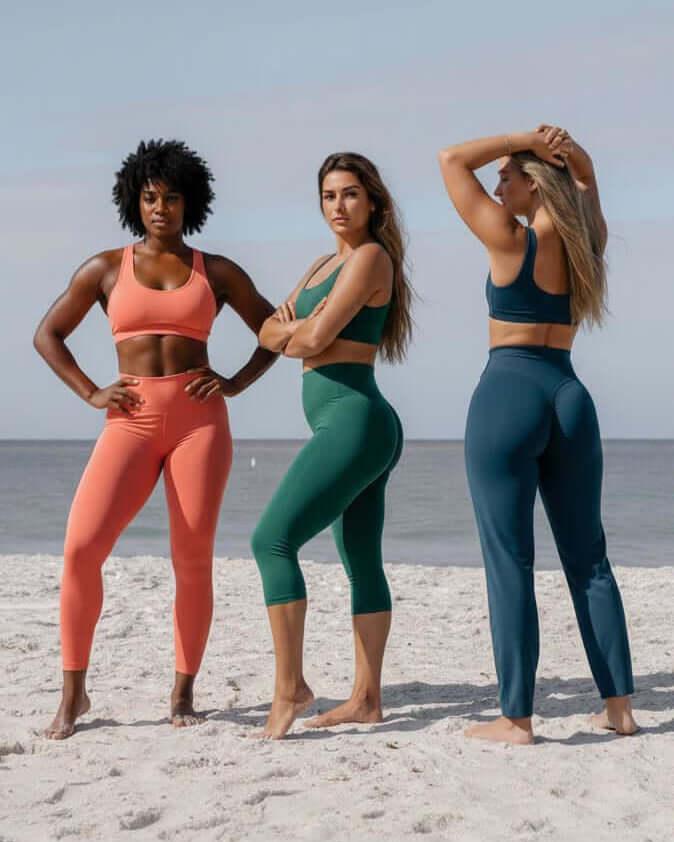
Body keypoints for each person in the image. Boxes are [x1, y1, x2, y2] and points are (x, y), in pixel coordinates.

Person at [34, 139, 276, 739]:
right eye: (149, 198)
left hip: (200, 423)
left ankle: (184, 690)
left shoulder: (215, 271)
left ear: (188, 201)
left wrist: (236, 382)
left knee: (191, 559)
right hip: (131, 420)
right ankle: (73, 694)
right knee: (81, 549)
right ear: (133, 202)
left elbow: (274, 330)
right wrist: (92, 392)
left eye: (170, 197)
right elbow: (48, 335)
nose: (160, 208)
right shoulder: (105, 268)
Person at [437, 125, 637, 744]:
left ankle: (516, 718)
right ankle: (620, 710)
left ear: (532, 182)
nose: (497, 185)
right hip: (570, 396)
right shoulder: (586, 245)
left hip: (508, 394)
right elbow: (587, 186)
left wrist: (522, 135)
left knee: (510, 560)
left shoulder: (509, 240)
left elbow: (449, 160)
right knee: (590, 559)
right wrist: (580, 162)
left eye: (506, 175)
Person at [252, 152, 412, 739]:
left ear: (373, 201)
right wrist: (294, 327)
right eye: (328, 195)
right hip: (353, 424)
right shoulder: (326, 262)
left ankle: (289, 688)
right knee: (360, 558)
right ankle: (367, 699)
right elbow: (270, 333)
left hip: (354, 421)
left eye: (349, 194)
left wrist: (300, 327)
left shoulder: (371, 258)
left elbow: (308, 336)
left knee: (271, 539)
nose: (338, 206)